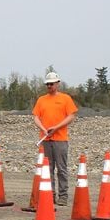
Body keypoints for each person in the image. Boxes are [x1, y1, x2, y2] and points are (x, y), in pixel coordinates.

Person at [32, 71, 78, 206]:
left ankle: (63, 196)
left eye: (51, 84)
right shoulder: (41, 100)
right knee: (48, 169)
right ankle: (50, 195)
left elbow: (71, 116)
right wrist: (43, 129)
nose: (49, 86)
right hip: (46, 139)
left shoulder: (65, 99)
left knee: (62, 168)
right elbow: (35, 117)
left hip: (60, 139)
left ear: (58, 84)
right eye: (47, 84)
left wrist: (56, 128)